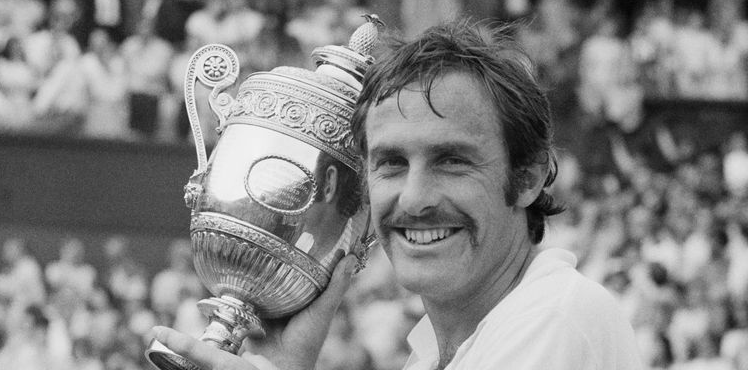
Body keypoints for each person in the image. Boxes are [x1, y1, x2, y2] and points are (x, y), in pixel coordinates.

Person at [151, 20, 643, 369]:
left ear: (529, 177)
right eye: (391, 163)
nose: (413, 198)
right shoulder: (436, 350)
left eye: (452, 160)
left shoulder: (555, 320)